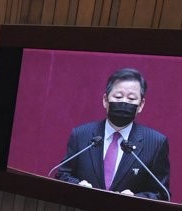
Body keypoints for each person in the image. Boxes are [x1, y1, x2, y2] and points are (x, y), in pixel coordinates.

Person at [55, 68, 170, 200]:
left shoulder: (156, 143)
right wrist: (78, 186)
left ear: (141, 105)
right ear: (105, 100)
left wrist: (137, 198)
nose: (124, 102)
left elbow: (162, 194)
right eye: (118, 97)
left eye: (131, 98)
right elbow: (62, 174)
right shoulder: (81, 134)